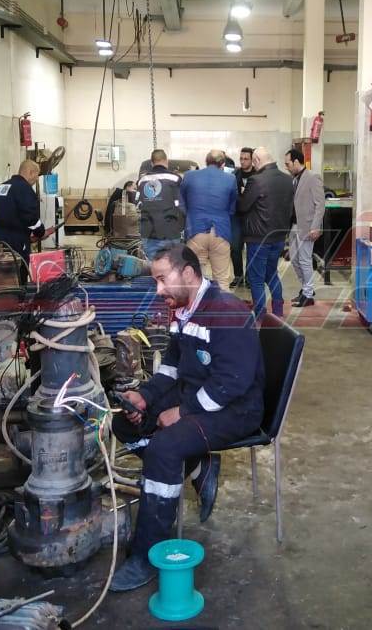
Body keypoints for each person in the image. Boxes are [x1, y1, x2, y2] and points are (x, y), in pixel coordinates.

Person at [109, 245, 265, 591]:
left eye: (163, 279)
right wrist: (145, 396)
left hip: (236, 409)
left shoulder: (227, 312)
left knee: (164, 448)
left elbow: (232, 383)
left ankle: (148, 553)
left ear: (189, 274)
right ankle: (197, 467)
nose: (158, 289)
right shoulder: (182, 310)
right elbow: (171, 367)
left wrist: (181, 411)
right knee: (124, 422)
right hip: (198, 395)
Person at [238, 147, 294, 318]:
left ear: (256, 160)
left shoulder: (256, 180)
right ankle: (278, 313)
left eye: (253, 162)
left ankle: (260, 315)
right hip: (279, 237)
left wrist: (242, 194)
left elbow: (243, 206)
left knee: (256, 278)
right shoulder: (288, 179)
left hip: (258, 238)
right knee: (272, 274)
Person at [180, 149, 238, 288]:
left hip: (195, 231)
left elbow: (181, 204)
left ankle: (198, 302)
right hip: (221, 232)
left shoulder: (189, 176)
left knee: (195, 279)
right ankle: (221, 302)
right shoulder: (230, 179)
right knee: (222, 280)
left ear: (206, 162)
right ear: (222, 164)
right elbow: (232, 209)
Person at [284, 148, 325, 307]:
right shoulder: (294, 179)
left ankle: (308, 295)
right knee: (294, 260)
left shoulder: (313, 177)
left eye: (288, 164)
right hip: (294, 226)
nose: (287, 167)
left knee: (305, 260)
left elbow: (320, 205)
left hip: (307, 227)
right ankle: (306, 289)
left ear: (296, 162)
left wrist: (315, 227)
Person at [0, 160, 45, 267]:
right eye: (37, 176)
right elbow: (30, 218)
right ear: (30, 172)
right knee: (18, 272)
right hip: (16, 241)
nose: (36, 179)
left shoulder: (0, 187)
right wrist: (40, 231)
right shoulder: (25, 189)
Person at [136, 149, 184, 259]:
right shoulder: (175, 179)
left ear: (151, 163)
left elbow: (137, 205)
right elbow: (182, 206)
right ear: (166, 161)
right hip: (170, 232)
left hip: (148, 233)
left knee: (153, 266)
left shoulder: (142, 181)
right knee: (172, 265)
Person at [229, 147, 255, 289]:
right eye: (241, 158)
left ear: (252, 160)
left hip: (252, 217)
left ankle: (250, 278)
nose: (243, 161)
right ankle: (238, 276)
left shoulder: (258, 175)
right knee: (235, 248)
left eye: (246, 159)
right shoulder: (234, 175)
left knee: (251, 248)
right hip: (237, 216)